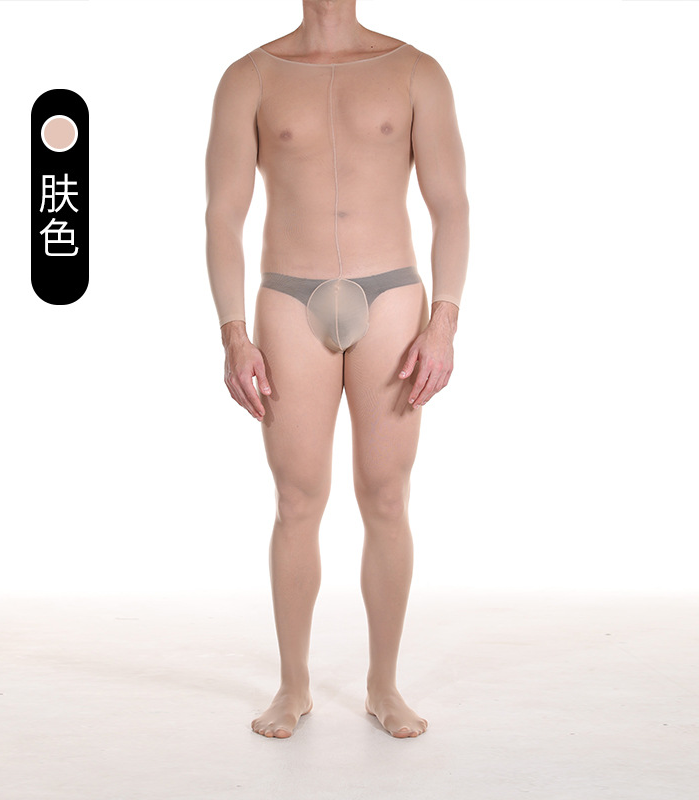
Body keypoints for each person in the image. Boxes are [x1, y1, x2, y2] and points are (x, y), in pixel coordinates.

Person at [205, 0, 468, 739]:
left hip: (393, 296)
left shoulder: (416, 71)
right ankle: (293, 686)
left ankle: (384, 685)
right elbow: (222, 215)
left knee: (386, 496)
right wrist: (233, 333)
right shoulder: (249, 77)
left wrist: (444, 321)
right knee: (297, 499)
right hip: (289, 297)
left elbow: (452, 206)